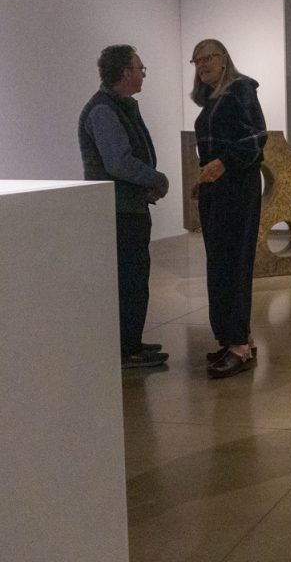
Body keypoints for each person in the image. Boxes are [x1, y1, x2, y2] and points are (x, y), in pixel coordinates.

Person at [78, 45, 171, 369]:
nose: (143, 73)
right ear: (125, 73)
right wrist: (156, 179)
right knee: (129, 281)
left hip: (127, 208)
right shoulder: (104, 110)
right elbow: (118, 162)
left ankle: (131, 344)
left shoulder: (120, 105)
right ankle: (125, 349)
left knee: (134, 280)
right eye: (140, 68)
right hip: (117, 212)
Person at [190, 39, 267, 379]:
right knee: (220, 264)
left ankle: (237, 343)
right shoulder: (211, 100)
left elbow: (256, 138)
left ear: (224, 60)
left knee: (233, 264)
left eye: (209, 57)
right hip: (216, 189)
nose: (202, 64)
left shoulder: (240, 90)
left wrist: (224, 163)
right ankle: (238, 340)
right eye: (196, 60)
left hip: (237, 187)